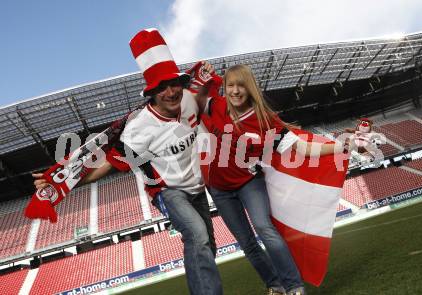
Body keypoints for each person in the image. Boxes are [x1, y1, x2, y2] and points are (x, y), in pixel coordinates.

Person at [33, 29, 222, 295]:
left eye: (174, 83)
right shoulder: (138, 129)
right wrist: (64, 182)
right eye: (161, 87)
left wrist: (208, 76)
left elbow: (213, 99)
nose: (170, 92)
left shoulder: (190, 100)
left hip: (197, 189)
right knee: (197, 235)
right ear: (151, 93)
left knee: (208, 246)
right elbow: (107, 165)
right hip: (168, 191)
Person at [198, 64, 352, 295]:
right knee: (247, 242)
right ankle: (275, 286)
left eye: (241, 85)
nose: (235, 91)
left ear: (250, 89)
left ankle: (294, 287)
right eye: (230, 85)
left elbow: (303, 149)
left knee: (264, 227)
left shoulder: (265, 121)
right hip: (219, 190)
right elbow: (194, 100)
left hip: (249, 183)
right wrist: (205, 76)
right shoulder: (217, 106)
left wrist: (344, 145)